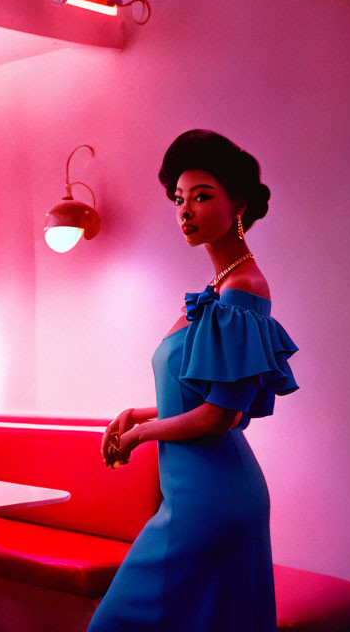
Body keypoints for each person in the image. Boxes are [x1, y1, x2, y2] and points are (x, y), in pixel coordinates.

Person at [88, 130, 300, 632]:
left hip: (213, 500)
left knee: (113, 625)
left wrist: (140, 436)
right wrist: (137, 413)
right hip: (193, 493)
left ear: (239, 206)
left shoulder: (242, 290)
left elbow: (221, 415)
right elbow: (196, 398)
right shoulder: (217, 289)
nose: (185, 210)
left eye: (202, 197)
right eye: (179, 200)